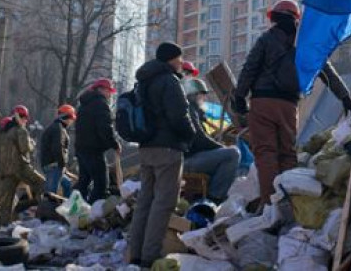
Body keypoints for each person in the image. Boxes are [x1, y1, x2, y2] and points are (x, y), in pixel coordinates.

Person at [232, 0, 351, 205]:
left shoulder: (267, 39)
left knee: (266, 153)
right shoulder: (306, 42)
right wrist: (346, 98)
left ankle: (270, 204)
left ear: (274, 17)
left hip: (263, 102)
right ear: (297, 19)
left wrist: (239, 97)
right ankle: (289, 202)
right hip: (289, 106)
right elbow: (327, 72)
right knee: (288, 153)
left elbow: (250, 68)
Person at [129, 42, 196, 269]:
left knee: (145, 202)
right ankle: (150, 256)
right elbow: (179, 116)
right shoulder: (169, 81)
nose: (181, 62)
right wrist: (191, 135)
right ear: (171, 59)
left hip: (146, 147)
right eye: (179, 58)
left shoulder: (144, 81)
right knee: (164, 203)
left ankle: (135, 254)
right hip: (167, 148)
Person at [183, 78, 240, 204]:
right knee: (232, 154)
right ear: (195, 95)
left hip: (190, 159)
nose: (204, 98)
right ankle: (214, 198)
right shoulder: (189, 110)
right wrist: (220, 147)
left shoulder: (193, 111)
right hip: (188, 161)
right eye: (203, 94)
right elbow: (199, 139)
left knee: (228, 154)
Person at [74, 78, 121, 203]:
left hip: (81, 149)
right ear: (101, 90)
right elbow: (105, 128)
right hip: (94, 151)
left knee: (83, 183)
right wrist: (114, 144)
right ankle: (92, 212)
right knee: (101, 184)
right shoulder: (101, 104)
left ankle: (77, 210)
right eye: (109, 91)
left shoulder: (84, 105)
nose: (110, 95)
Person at [0, 105, 45, 225]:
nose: (26, 120)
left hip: (5, 171)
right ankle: (41, 214)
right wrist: (32, 143)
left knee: (6, 202)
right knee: (41, 183)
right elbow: (25, 149)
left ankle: (5, 224)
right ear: (20, 117)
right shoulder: (20, 130)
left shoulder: (2, 133)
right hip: (20, 167)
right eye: (25, 117)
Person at [41, 105, 77, 197]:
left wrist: (65, 169)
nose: (72, 121)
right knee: (51, 194)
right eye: (72, 118)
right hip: (54, 166)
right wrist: (62, 165)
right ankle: (48, 206)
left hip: (53, 165)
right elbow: (57, 148)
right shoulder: (59, 129)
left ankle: (67, 204)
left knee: (67, 184)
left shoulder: (55, 127)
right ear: (67, 117)